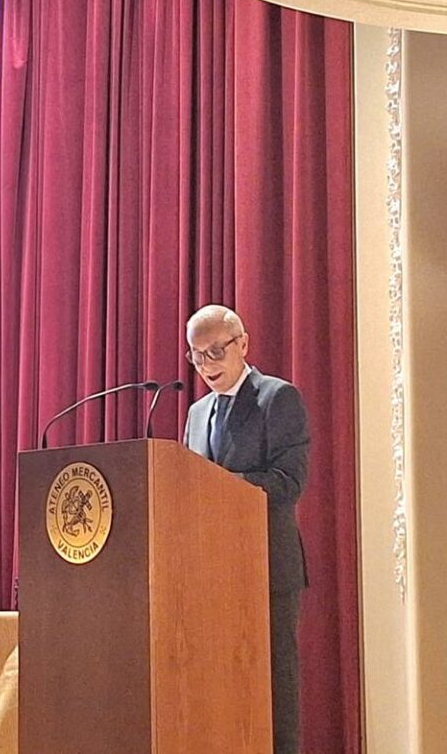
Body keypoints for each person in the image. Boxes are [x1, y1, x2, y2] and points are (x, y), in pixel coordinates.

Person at [182, 304, 308, 754]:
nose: (207, 365)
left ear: (243, 344)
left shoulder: (277, 398)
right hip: (212, 575)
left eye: (216, 351)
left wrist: (218, 487)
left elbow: (288, 482)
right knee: (218, 687)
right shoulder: (197, 412)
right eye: (197, 356)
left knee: (274, 686)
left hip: (267, 569)